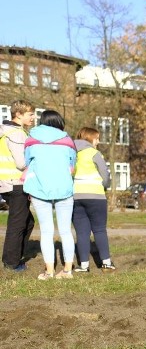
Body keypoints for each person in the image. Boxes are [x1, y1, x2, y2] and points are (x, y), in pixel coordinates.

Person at [23, 110, 77, 280]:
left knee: (46, 231)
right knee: (66, 231)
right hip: (64, 189)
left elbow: (27, 161)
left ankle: (49, 271)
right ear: (59, 122)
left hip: (39, 188)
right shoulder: (68, 140)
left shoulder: (31, 139)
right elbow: (72, 164)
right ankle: (67, 271)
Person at [71, 127, 115, 272]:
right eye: (97, 138)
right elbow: (105, 175)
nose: (98, 141)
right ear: (90, 139)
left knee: (82, 233)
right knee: (99, 230)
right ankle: (106, 263)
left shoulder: (73, 154)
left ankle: (83, 266)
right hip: (96, 197)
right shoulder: (95, 153)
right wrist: (105, 186)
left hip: (77, 197)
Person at [1, 99, 36, 272]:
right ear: (18, 114)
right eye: (30, 114)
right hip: (17, 184)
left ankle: (13, 258)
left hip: (7, 183)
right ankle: (11, 263)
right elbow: (22, 163)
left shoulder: (4, 131)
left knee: (28, 222)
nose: (33, 117)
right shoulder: (17, 133)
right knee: (18, 224)